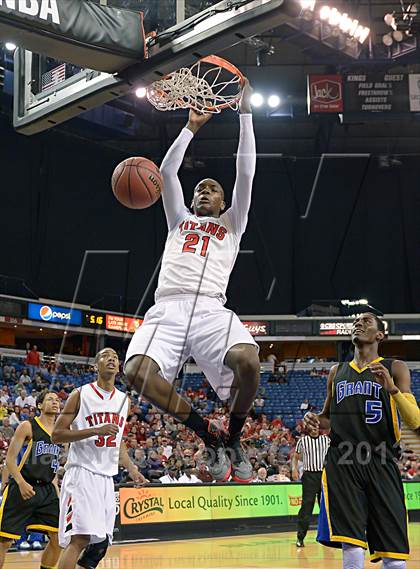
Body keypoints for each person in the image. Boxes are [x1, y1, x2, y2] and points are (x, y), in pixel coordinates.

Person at [124, 80, 260, 483]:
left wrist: (246, 115)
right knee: (137, 372)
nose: (204, 191)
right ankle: (209, 434)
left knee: (248, 362)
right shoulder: (179, 221)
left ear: (222, 203)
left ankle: (233, 436)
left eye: (211, 190)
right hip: (167, 307)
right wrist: (190, 127)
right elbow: (166, 172)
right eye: (200, 188)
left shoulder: (233, 225)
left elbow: (246, 171)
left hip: (210, 308)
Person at [304, 313, 420, 568]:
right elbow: (328, 418)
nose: (359, 324)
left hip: (381, 459)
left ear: (380, 335)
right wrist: (315, 420)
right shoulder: (337, 372)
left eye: (366, 322)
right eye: (357, 322)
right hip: (342, 461)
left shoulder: (395, 367)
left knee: (394, 554)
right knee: (352, 545)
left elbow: (414, 420)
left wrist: (392, 390)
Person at [52, 348, 147, 569]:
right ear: (96, 365)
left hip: (106, 478)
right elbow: (57, 434)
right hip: (82, 474)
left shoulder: (124, 401)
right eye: (105, 356)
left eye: (115, 357)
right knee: (80, 539)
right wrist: (95, 431)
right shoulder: (80, 394)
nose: (112, 359)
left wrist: (132, 468)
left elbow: (118, 440)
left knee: (100, 545)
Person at [0, 391, 61, 569]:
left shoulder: (60, 433)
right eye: (50, 399)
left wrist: (56, 491)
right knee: (4, 540)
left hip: (47, 491)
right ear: (40, 405)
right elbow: (9, 460)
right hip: (23, 486)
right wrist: (20, 483)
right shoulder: (27, 426)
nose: (55, 402)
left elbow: (53, 466)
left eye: (57, 400)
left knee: (59, 538)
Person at [292, 429, 330, 547]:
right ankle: (300, 537)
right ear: (308, 427)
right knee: (306, 507)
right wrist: (294, 469)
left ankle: (330, 537)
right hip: (309, 476)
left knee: (327, 507)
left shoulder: (326, 440)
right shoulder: (303, 441)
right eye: (311, 427)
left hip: (324, 475)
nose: (314, 429)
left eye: (316, 426)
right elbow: (296, 457)